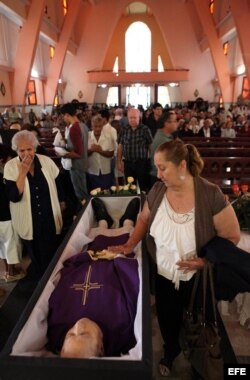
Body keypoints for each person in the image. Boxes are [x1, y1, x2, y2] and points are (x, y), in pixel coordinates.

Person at [109, 139, 240, 377]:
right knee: (167, 319)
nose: (157, 175)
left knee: (197, 321)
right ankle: (171, 351)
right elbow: (143, 219)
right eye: (156, 167)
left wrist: (204, 262)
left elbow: (231, 236)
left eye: (162, 168)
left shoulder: (210, 194)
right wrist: (130, 244)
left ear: (182, 166)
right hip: (164, 274)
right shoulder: (159, 191)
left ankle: (199, 357)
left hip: (196, 278)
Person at [47, 197, 141, 358]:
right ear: (101, 348)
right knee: (125, 240)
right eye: (84, 334)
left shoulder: (57, 325)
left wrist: (83, 258)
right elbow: (133, 288)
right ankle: (127, 221)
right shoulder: (121, 326)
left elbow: (61, 285)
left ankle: (103, 220)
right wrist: (119, 260)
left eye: (70, 335)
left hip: (89, 262)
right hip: (113, 266)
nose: (77, 326)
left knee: (97, 240)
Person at [4, 130, 65, 280]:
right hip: (28, 220)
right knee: (36, 257)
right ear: (16, 150)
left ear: (35, 148)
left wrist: (63, 206)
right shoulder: (11, 167)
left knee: (51, 255)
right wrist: (23, 172)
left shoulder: (46, 161)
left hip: (49, 217)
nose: (26, 153)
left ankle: (53, 282)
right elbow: (13, 197)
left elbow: (60, 188)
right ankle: (41, 287)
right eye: (21, 150)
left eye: (29, 149)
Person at [0, 144, 24, 282]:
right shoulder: (3, 177)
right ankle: (11, 272)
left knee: (2, 246)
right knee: (11, 245)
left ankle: (8, 270)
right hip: (5, 216)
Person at [117, 108, 152, 193]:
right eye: (130, 117)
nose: (132, 119)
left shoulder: (145, 129)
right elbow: (120, 146)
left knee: (144, 187)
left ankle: (145, 204)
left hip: (142, 163)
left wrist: (152, 162)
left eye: (134, 117)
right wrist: (119, 161)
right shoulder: (124, 129)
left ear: (139, 118)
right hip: (128, 163)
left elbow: (151, 146)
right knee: (130, 188)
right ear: (127, 118)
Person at [60, 103, 89, 204]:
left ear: (67, 115)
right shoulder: (83, 126)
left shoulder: (74, 128)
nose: (63, 118)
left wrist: (62, 154)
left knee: (81, 196)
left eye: (63, 116)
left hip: (77, 166)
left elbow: (78, 153)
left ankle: (84, 217)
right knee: (83, 193)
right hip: (84, 163)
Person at [87, 115, 115, 191]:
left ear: (102, 126)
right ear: (91, 126)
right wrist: (92, 150)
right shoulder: (87, 136)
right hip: (92, 171)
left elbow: (111, 153)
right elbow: (84, 154)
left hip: (106, 171)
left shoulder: (108, 136)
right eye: (95, 126)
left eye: (100, 126)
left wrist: (100, 151)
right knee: (93, 194)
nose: (98, 129)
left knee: (106, 192)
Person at [149, 111, 178, 186]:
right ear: (166, 123)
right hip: (161, 178)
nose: (176, 123)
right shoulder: (164, 141)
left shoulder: (164, 136)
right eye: (174, 121)